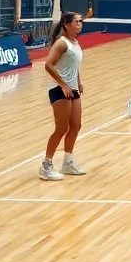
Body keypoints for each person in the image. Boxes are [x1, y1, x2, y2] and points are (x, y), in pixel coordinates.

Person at [40, 12, 86, 181]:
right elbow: (48, 65)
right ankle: (46, 166)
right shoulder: (61, 43)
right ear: (66, 24)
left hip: (73, 89)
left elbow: (74, 65)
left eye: (81, 21)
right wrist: (63, 84)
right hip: (59, 89)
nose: (80, 24)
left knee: (76, 125)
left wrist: (78, 82)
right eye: (77, 21)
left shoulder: (75, 42)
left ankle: (67, 162)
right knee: (61, 128)